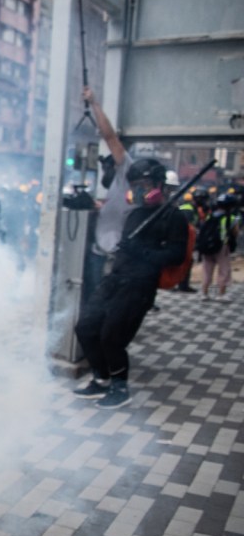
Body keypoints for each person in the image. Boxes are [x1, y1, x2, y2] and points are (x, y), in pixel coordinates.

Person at [73, 158, 188, 409]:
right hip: (115, 278)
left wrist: (141, 251)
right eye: (135, 184)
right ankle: (101, 378)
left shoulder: (172, 217)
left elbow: (176, 256)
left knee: (111, 336)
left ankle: (119, 387)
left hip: (139, 285)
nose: (139, 189)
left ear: (159, 183)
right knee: (86, 327)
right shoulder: (135, 214)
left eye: (144, 184)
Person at [82, 86, 134, 303]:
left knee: (108, 304)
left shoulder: (127, 171)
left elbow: (110, 136)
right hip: (98, 252)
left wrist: (94, 103)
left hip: (114, 258)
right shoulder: (116, 187)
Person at [199, 192, 239, 303]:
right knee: (224, 270)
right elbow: (235, 233)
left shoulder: (210, 216)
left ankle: (204, 293)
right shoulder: (231, 218)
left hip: (207, 247)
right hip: (222, 247)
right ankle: (221, 294)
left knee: (207, 271)